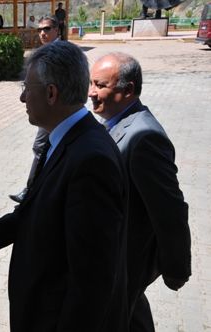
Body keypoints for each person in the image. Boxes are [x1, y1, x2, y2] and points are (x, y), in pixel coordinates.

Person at [0, 41, 129, 332]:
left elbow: (92, 281)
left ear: (50, 93)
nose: (22, 97)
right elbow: (34, 213)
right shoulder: (63, 139)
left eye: (27, 88)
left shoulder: (90, 160)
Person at [89, 52, 191, 332]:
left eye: (100, 85)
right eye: (90, 83)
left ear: (128, 90)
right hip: (115, 263)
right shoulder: (115, 124)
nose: (91, 92)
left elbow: (170, 211)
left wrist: (176, 269)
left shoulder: (145, 137)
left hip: (127, 260)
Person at [9, 15, 60, 203]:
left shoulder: (63, 52)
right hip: (47, 110)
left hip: (56, 111)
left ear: (57, 30)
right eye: (39, 30)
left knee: (40, 146)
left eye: (46, 29)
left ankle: (31, 192)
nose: (42, 33)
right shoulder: (43, 52)